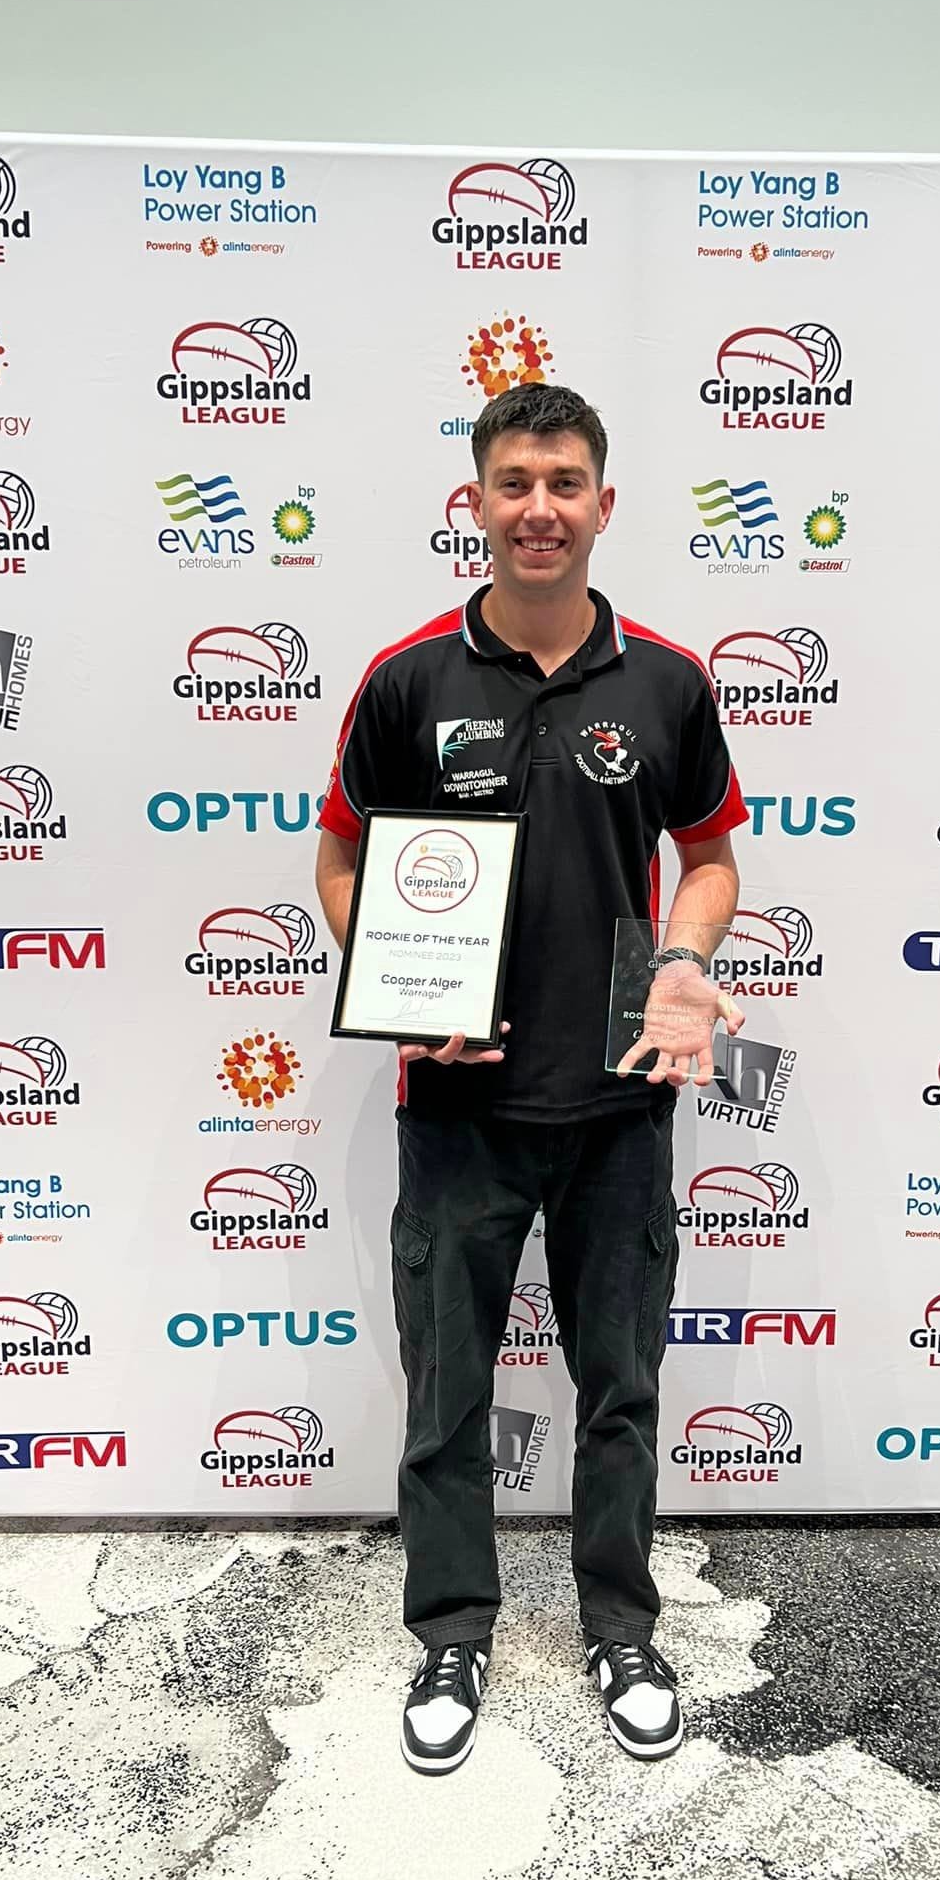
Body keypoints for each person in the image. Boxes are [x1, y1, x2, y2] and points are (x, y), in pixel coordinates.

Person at [315, 383, 747, 1773]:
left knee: (619, 1387)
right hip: (458, 1112)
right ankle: (452, 1630)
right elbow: (336, 858)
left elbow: (713, 857)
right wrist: (392, 979)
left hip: (621, 1098)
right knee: (445, 1390)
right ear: (478, 503)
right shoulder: (406, 679)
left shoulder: (669, 682)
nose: (540, 507)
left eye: (565, 481)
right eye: (514, 482)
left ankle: (622, 1626)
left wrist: (683, 962)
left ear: (604, 503)